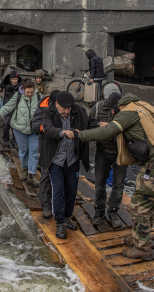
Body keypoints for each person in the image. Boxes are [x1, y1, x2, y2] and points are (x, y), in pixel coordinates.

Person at [76, 92, 154, 260]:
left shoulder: (128, 113)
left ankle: (142, 248)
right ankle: (140, 238)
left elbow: (107, 132)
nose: (114, 114)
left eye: (114, 111)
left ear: (117, 108)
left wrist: (80, 135)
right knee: (151, 206)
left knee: (139, 206)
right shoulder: (142, 105)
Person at [42, 91, 96, 239]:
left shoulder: (78, 110)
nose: (67, 111)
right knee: (58, 190)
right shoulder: (48, 112)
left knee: (71, 191)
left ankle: (66, 217)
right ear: (57, 104)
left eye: (69, 108)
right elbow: (49, 130)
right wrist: (64, 132)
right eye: (64, 108)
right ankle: (59, 223)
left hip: (72, 159)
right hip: (56, 160)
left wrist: (100, 124)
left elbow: (89, 122)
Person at [91, 91, 128, 228]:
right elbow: (90, 123)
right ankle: (99, 211)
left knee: (118, 185)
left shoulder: (125, 110)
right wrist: (99, 127)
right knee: (99, 182)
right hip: (102, 150)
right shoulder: (98, 107)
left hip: (120, 152)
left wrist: (109, 127)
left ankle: (112, 212)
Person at [0, 79, 40, 185]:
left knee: (34, 151)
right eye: (28, 92)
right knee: (23, 150)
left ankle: (31, 175)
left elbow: (44, 109)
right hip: (19, 129)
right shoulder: (18, 96)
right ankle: (24, 170)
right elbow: (7, 107)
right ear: (23, 90)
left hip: (34, 129)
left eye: (31, 92)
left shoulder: (38, 96)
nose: (30, 94)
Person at [31, 89, 60, 219]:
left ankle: (58, 205)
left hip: (61, 147)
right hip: (46, 146)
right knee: (46, 175)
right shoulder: (43, 107)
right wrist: (44, 128)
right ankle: (46, 206)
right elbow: (35, 124)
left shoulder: (65, 108)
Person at [0, 71, 21, 148]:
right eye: (13, 79)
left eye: (16, 79)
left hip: (16, 108)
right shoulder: (6, 85)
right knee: (6, 124)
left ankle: (15, 142)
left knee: (15, 126)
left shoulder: (20, 87)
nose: (15, 81)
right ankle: (6, 139)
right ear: (10, 79)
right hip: (7, 108)